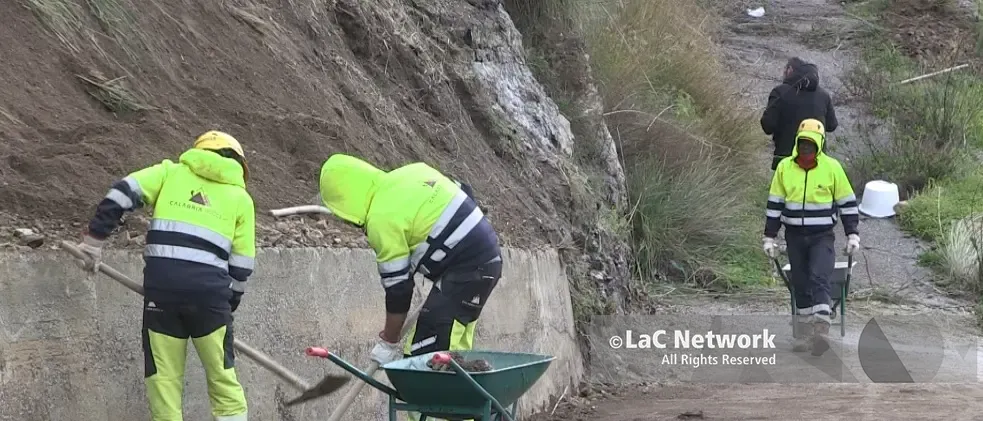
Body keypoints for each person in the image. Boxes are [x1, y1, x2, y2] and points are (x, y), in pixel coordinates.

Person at [76, 131, 255, 421]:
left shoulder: (168, 173)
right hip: (210, 298)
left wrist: (94, 242)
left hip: (162, 294)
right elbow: (242, 264)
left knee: (164, 381)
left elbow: (121, 192)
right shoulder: (240, 198)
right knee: (223, 380)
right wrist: (226, 306)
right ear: (239, 164)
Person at [318, 154, 502, 421]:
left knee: (424, 365)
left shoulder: (382, 218)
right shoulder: (409, 173)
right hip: (484, 262)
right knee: (454, 361)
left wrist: (388, 340)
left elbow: (399, 291)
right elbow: (464, 192)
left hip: (467, 272)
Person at [762, 119, 859, 356]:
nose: (806, 148)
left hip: (822, 237)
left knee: (819, 277)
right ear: (797, 142)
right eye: (803, 143)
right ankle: (804, 333)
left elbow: (847, 204)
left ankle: (821, 330)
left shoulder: (832, 168)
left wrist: (852, 234)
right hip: (794, 235)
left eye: (811, 144)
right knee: (801, 282)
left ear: (820, 144)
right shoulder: (785, 168)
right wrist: (769, 237)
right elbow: (775, 205)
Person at [761, 57, 839, 171]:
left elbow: (767, 126)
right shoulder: (824, 95)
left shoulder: (780, 92)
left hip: (785, 159)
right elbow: (832, 126)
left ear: (790, 70)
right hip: (816, 160)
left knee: (782, 189)